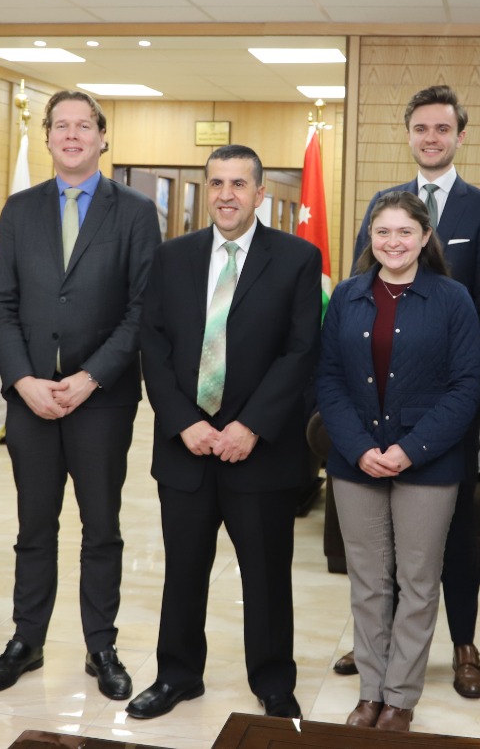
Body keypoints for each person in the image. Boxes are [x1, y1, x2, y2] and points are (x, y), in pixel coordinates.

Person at [131, 144, 323, 721]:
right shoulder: (172, 257)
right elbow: (153, 345)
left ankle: (273, 681)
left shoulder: (297, 258)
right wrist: (184, 422)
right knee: (183, 571)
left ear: (260, 193)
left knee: (266, 575)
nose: (226, 195)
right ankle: (177, 675)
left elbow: (300, 351)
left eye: (239, 184)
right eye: (216, 183)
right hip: (186, 449)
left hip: (259, 452)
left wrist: (251, 426)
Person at [0, 90, 160, 700]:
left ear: (103, 138)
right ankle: (26, 641)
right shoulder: (19, 209)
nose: (73, 135)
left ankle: (100, 645)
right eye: (62, 125)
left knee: (101, 527)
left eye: (85, 125)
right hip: (31, 400)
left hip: (101, 400)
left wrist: (90, 377)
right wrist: (22, 380)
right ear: (49, 137)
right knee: (34, 527)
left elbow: (142, 310)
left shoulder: (134, 212)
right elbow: (1, 303)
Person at [340, 83, 480, 697]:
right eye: (421, 129)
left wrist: (470, 395)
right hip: (379, 399)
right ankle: (379, 646)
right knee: (381, 540)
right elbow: (360, 287)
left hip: (447, 405)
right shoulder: (385, 205)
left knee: (450, 531)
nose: (431, 138)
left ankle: (463, 643)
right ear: (408, 135)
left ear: (460, 135)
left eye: (442, 128)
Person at [318, 191, 480, 732]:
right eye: (383, 232)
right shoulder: (347, 296)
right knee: (368, 582)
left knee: (417, 581)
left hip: (429, 465)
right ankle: (371, 692)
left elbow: (467, 387)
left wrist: (410, 450)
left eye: (405, 232)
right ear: (370, 238)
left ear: (425, 237)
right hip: (356, 462)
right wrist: (359, 448)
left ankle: (400, 699)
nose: (394, 242)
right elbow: (328, 380)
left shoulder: (453, 299)